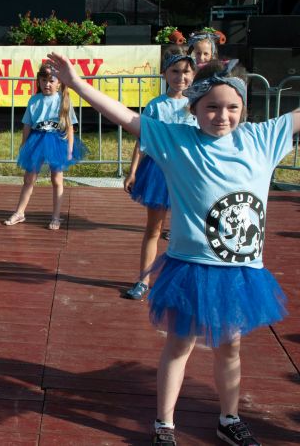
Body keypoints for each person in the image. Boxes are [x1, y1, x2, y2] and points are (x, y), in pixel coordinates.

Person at [47, 52, 298, 446]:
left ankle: (229, 418)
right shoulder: (176, 140)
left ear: (244, 109)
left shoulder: (262, 140)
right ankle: (164, 424)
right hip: (191, 267)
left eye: (232, 107)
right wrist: (77, 84)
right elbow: (126, 117)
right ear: (193, 108)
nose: (222, 116)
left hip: (240, 271)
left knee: (230, 347)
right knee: (179, 344)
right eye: (211, 107)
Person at [123, 50, 197, 300]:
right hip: (159, 172)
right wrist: (133, 171)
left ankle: (182, 281)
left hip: (189, 173)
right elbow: (143, 139)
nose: (180, 77)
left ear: (193, 75)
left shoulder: (197, 104)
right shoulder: (156, 105)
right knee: (154, 228)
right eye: (175, 71)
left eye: (186, 72)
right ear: (164, 74)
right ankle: (143, 279)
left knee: (189, 232)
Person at [3, 63, 85, 229]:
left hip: (56, 141)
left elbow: (70, 127)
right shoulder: (34, 100)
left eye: (51, 80)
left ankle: (56, 216)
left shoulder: (63, 100)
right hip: (36, 140)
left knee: (57, 179)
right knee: (29, 178)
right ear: (38, 81)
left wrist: (70, 147)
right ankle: (20, 212)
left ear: (58, 83)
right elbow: (27, 125)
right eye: (43, 80)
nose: (47, 84)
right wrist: (24, 145)